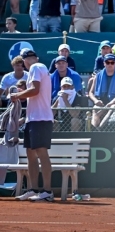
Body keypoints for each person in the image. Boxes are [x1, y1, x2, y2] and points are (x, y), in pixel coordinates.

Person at [10, 48, 54, 202]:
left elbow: (35, 90)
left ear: (24, 61)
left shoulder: (35, 67)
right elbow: (34, 92)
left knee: (41, 153)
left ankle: (47, 191)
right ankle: (33, 189)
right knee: (31, 154)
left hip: (40, 119)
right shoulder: (40, 68)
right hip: (33, 119)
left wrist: (17, 95)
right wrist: (22, 94)